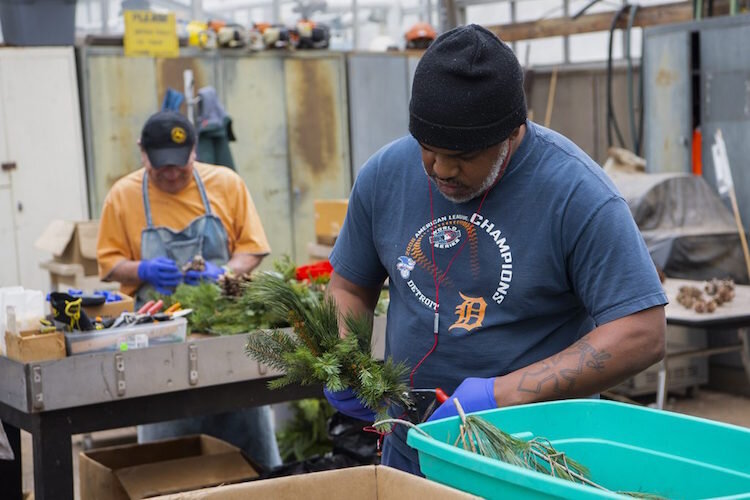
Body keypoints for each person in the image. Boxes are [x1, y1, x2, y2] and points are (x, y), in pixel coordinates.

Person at [324, 25, 667, 476]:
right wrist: (342, 356)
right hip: (410, 455)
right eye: (428, 149)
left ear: (511, 132)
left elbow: (642, 330)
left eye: (463, 155)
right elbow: (350, 285)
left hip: (530, 457)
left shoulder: (576, 194)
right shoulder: (384, 175)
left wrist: (501, 395)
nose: (441, 169)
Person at [95, 110, 281, 469]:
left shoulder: (226, 184)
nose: (170, 173)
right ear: (142, 152)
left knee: (247, 436)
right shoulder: (123, 196)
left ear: (194, 151)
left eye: (179, 166)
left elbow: (253, 248)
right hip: (159, 338)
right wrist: (143, 269)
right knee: (166, 451)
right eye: (160, 165)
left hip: (226, 331)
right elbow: (109, 264)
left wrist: (224, 271)